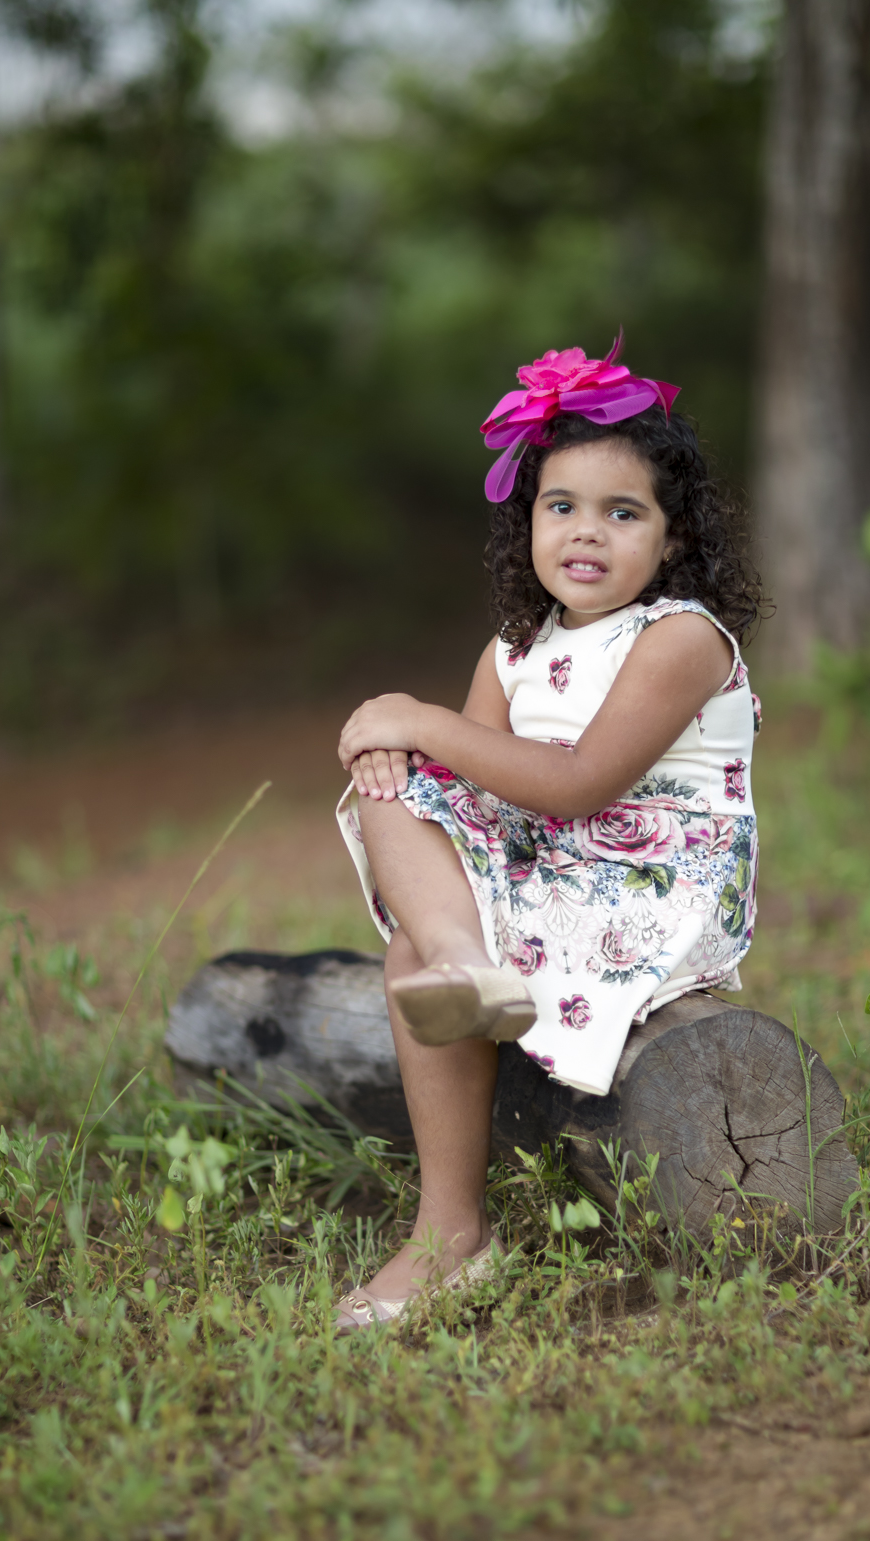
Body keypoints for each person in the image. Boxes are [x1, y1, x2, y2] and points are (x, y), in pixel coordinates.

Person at [333, 338, 764, 1329]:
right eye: (560, 506)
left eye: (623, 512)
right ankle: (451, 1220)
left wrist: (415, 719)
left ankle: (451, 1222)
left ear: (674, 537)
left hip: (647, 882)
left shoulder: (680, 636)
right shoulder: (517, 646)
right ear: (527, 520)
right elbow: (469, 788)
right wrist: (396, 757)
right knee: (394, 803)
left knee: (411, 900)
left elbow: (575, 787)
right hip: (549, 862)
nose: (586, 531)